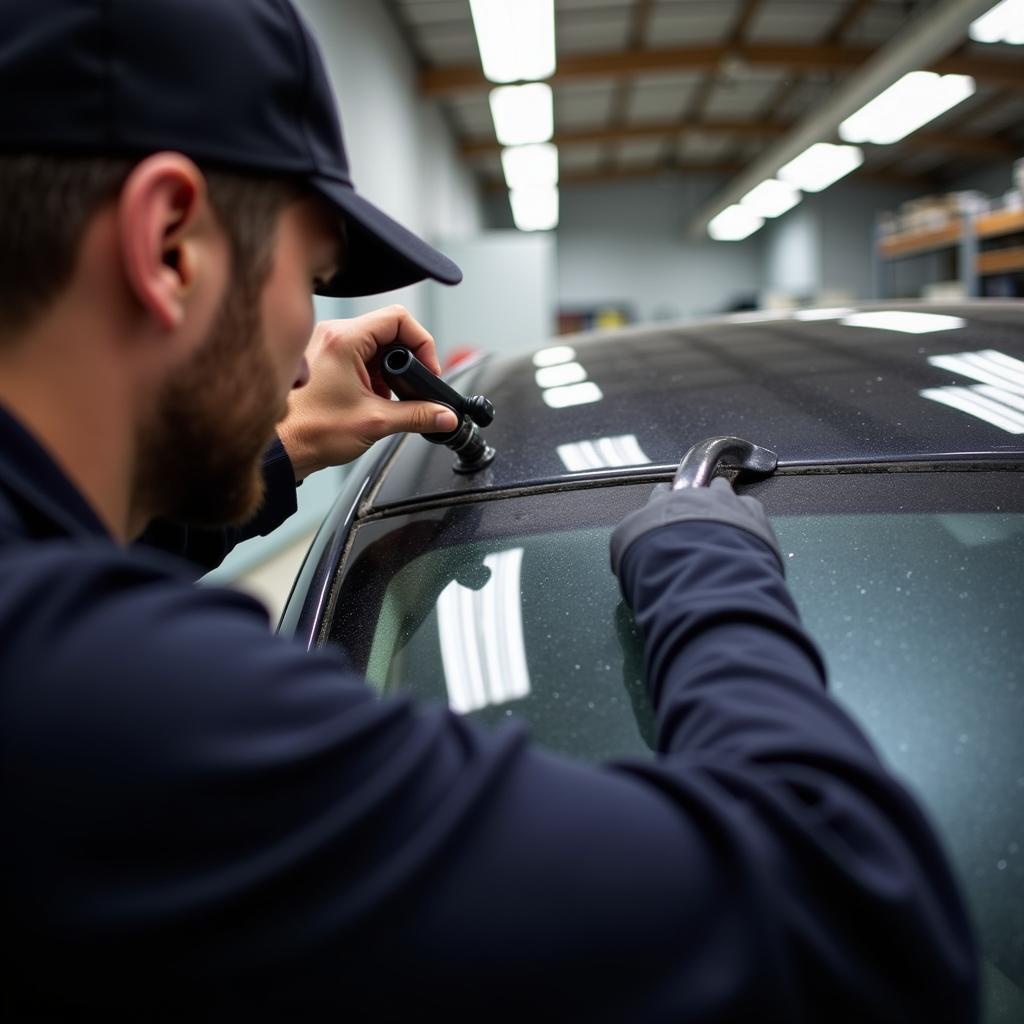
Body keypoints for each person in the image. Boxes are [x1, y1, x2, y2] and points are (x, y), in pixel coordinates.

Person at [0, 1, 977, 1021]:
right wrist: (704, 561)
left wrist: (276, 454)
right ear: (169, 246)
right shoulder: (112, 704)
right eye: (309, 278)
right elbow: (850, 917)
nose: (303, 349)